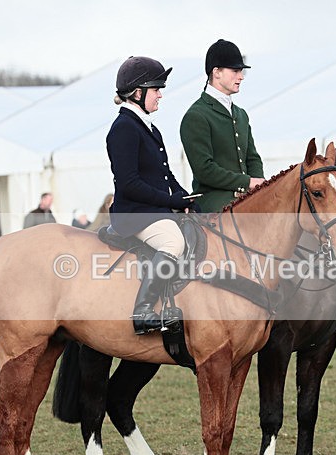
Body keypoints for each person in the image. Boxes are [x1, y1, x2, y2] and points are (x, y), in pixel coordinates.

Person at [107, 56, 194, 334]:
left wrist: (182, 196)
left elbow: (165, 174)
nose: (160, 95)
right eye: (156, 89)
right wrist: (170, 201)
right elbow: (129, 184)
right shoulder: (123, 129)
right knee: (173, 243)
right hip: (134, 214)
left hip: (152, 210)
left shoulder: (149, 127)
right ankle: (143, 311)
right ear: (137, 93)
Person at [180, 39, 265, 213]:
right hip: (214, 203)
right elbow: (205, 170)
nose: (241, 77)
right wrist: (247, 182)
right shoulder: (196, 115)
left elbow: (252, 158)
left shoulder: (241, 114)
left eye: (241, 71)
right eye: (235, 71)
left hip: (247, 199)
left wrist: (260, 186)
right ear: (217, 72)